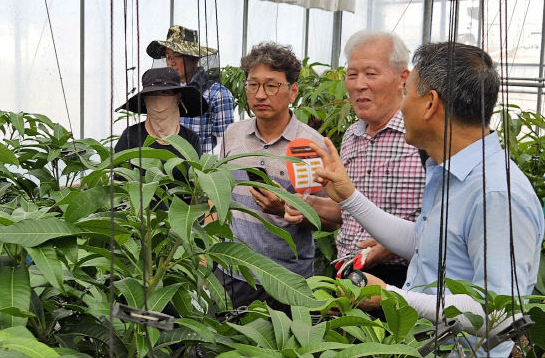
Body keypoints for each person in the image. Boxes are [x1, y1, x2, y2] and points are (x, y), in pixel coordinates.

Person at [310, 42, 544, 356]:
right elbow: (423, 245)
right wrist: (349, 197)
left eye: (406, 92)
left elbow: (500, 313)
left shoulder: (496, 194)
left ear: (430, 104)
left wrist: (391, 297)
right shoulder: (449, 173)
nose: (401, 104)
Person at [285, 31, 425, 287]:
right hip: (349, 274)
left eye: (371, 74)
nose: (359, 84)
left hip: (405, 279)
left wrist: (394, 244)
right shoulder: (352, 136)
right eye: (352, 74)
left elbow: (443, 221)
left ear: (402, 78)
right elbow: (346, 211)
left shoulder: (422, 137)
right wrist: (307, 204)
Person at [215, 42, 336, 312]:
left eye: (272, 85)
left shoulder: (310, 145)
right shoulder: (233, 135)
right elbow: (216, 196)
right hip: (233, 274)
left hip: (287, 281)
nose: (260, 94)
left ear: (293, 91)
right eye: (253, 85)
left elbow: (334, 217)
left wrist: (287, 208)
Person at [146, 25, 234, 154]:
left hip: (200, 170)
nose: (171, 62)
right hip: (167, 168)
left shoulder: (217, 94)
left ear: (194, 58)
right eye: (168, 57)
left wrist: (202, 168)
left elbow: (225, 143)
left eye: (177, 56)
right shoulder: (165, 93)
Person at [115, 67, 205, 158]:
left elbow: (196, 171)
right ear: (145, 99)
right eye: (152, 94)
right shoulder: (131, 136)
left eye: (165, 92)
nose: (158, 100)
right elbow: (119, 170)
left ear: (177, 97)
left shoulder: (190, 139)